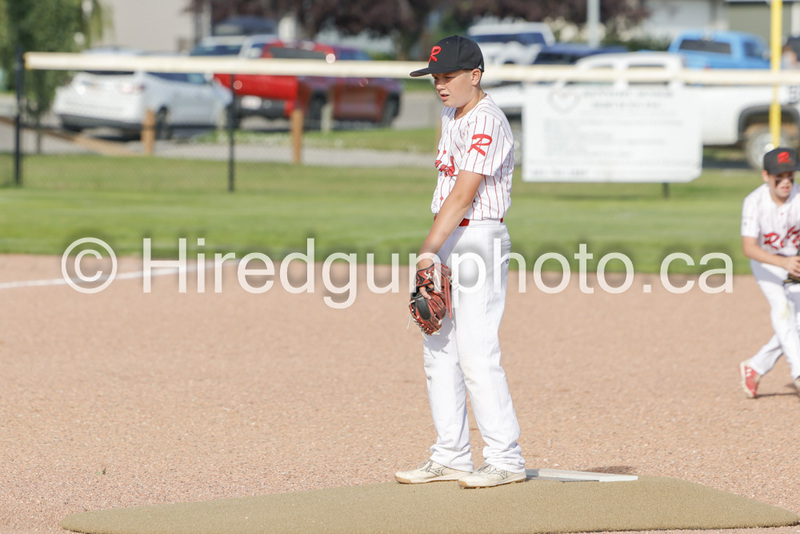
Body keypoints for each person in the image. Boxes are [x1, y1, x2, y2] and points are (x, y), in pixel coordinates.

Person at [394, 35, 526, 488]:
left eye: (449, 76)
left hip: (480, 237)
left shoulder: (487, 120)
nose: (440, 85)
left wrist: (428, 250)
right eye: (435, 77)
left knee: (476, 349)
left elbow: (465, 193)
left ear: (476, 75)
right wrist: (437, 245)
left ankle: (506, 458)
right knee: (438, 348)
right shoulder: (453, 114)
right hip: (453, 235)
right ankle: (450, 454)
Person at [740, 147, 800, 399]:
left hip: (794, 261)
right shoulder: (754, 202)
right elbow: (748, 248)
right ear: (766, 176)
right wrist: (782, 263)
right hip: (765, 262)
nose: (786, 181)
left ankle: (754, 367)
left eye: (790, 175)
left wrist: (791, 263)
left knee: (797, 320)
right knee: (782, 309)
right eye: (779, 176)